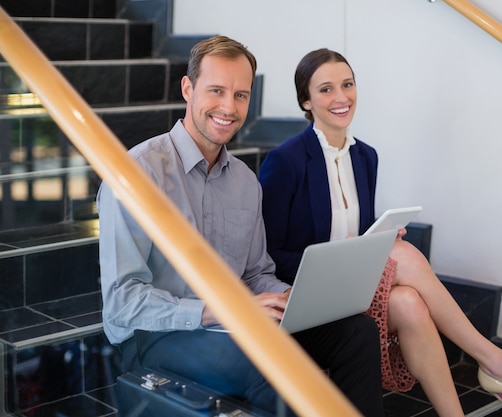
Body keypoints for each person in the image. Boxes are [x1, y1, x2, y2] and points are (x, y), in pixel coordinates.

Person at [258, 48, 502, 416]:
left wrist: (372, 243)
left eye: (348, 84)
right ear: (306, 101)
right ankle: (496, 363)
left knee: (409, 302)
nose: (341, 97)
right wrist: (334, 256)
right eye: (326, 89)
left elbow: (359, 236)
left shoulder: (366, 157)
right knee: (403, 256)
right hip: (303, 294)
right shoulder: (285, 161)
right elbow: (270, 256)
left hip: (349, 288)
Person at [97, 37, 385, 417]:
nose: (229, 108)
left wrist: (292, 298)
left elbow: (255, 273)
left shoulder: (246, 183)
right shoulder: (138, 173)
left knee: (357, 333)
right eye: (216, 91)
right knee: (271, 363)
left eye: (241, 95)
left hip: (237, 321)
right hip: (161, 334)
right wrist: (220, 311)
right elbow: (122, 301)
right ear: (188, 88)